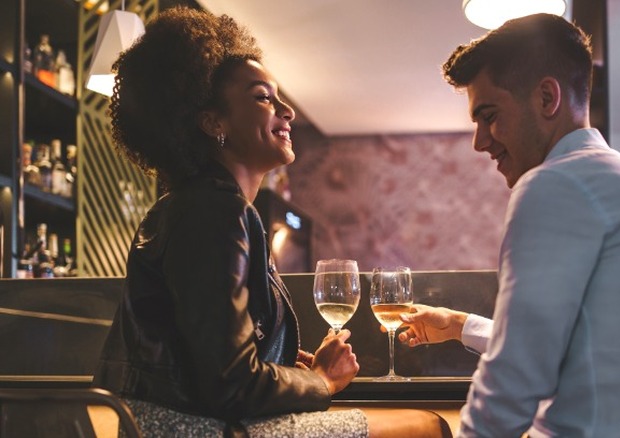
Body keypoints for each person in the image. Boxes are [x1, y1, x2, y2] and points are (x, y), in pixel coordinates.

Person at [92, 7, 450, 438]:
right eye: (263, 97)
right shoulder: (214, 211)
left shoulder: (198, 206)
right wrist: (321, 380)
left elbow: (210, 363)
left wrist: (279, 367)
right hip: (184, 430)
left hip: (162, 423)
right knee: (424, 427)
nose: (288, 111)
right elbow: (229, 384)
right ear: (213, 122)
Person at [398, 13, 620, 438]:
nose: (479, 140)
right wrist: (457, 325)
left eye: (489, 115)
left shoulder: (555, 183)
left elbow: (517, 375)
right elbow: (577, 349)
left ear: (547, 98)